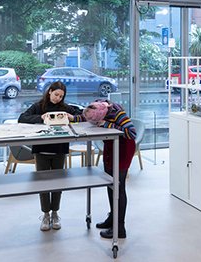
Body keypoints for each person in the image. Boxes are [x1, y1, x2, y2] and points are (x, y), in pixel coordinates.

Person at [18, 81, 81, 231]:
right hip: (41, 151)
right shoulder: (38, 106)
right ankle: (45, 214)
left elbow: (80, 115)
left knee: (58, 183)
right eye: (56, 94)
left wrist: (71, 117)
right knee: (43, 184)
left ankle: (55, 213)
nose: (58, 98)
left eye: (61, 96)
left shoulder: (65, 108)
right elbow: (22, 118)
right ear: (49, 91)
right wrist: (41, 117)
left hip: (59, 150)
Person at [73, 99, 137, 239]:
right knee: (110, 184)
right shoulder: (97, 106)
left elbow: (131, 133)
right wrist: (72, 118)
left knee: (118, 187)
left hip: (123, 149)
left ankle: (120, 228)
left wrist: (107, 124)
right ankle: (112, 219)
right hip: (110, 146)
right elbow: (86, 116)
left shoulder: (117, 114)